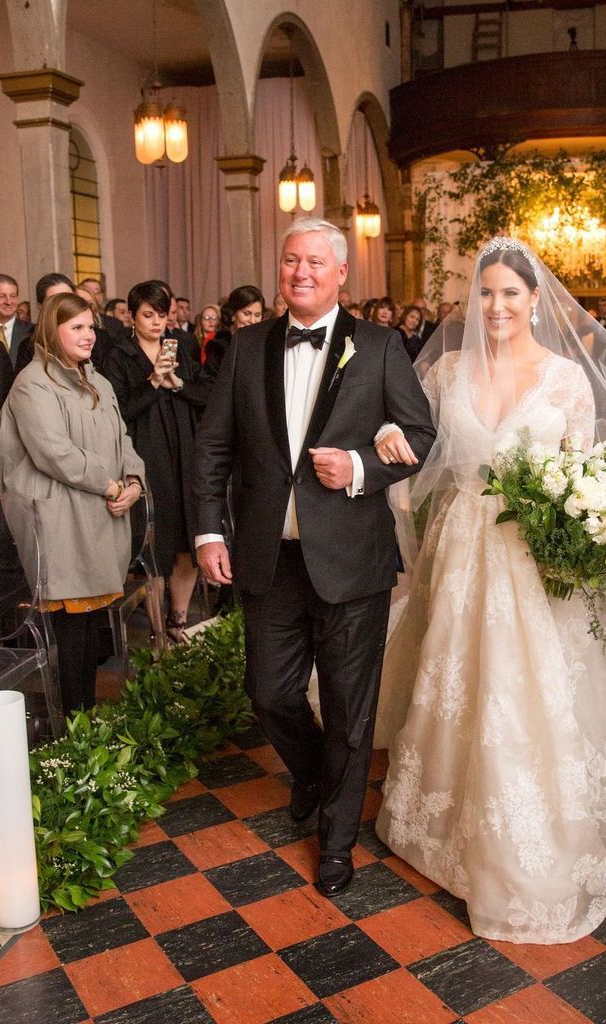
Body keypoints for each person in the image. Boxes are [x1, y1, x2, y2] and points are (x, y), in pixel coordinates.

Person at [372, 237, 606, 944]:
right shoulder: (449, 370)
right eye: (485, 292)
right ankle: (446, 819)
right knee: (462, 681)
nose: (496, 305)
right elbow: (412, 433)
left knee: (539, 690)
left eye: (509, 293)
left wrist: (589, 531)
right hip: (462, 550)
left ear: (533, 300)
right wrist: (382, 434)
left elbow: (583, 476)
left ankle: (548, 830)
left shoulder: (565, 379)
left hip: (534, 556)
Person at [193, 217, 436, 898]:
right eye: (290, 260)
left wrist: (359, 465)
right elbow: (212, 448)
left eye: (314, 263)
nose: (300, 272)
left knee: (350, 710)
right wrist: (210, 533)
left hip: (352, 559)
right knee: (268, 692)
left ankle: (336, 841)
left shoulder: (381, 346)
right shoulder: (245, 347)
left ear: (340, 274)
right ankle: (312, 774)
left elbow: (420, 432)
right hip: (269, 556)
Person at [0, 293, 145, 713]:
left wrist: (134, 481)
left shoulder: (97, 380)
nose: (88, 335)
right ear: (51, 329)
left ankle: (86, 725)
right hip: (60, 522)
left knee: (91, 637)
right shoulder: (33, 383)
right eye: (76, 327)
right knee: (71, 636)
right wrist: (112, 486)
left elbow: (124, 440)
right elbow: (53, 453)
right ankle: (71, 734)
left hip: (100, 517)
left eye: (90, 326)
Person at [103, 281, 210, 644]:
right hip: (147, 456)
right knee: (156, 546)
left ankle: (179, 621)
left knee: (186, 542)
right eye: (148, 315)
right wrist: (152, 382)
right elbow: (118, 411)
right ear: (131, 317)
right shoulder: (119, 356)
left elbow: (209, 395)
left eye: (161, 315)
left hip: (185, 454)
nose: (156, 322)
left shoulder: (181, 347)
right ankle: (157, 630)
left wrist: (177, 383)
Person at [203, 285, 265, 378]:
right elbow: (210, 385)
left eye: (257, 315)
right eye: (247, 314)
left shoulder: (265, 346)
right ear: (232, 315)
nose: (252, 320)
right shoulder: (218, 348)